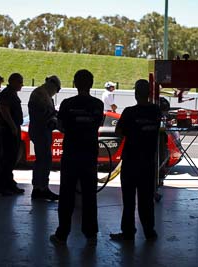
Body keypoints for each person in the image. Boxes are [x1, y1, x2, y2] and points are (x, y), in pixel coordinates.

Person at [50, 69, 104, 245]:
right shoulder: (98, 105)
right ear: (91, 84)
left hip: (72, 153)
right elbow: (97, 125)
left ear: (74, 84)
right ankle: (90, 232)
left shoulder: (67, 104)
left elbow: (60, 126)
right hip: (89, 154)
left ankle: (62, 233)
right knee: (89, 194)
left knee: (66, 195)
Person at [110, 79, 161, 241]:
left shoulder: (129, 112)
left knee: (129, 200)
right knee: (147, 199)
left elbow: (119, 132)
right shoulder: (155, 111)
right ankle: (149, 231)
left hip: (131, 161)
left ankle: (128, 232)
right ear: (149, 93)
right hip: (148, 162)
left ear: (135, 94)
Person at [28, 75, 61, 200]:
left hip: (42, 131)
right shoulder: (40, 95)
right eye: (57, 89)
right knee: (43, 160)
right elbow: (44, 114)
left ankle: (41, 187)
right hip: (40, 131)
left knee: (44, 160)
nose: (55, 93)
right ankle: (40, 188)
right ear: (53, 85)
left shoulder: (43, 94)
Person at [0, 73, 25, 195]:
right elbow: (4, 110)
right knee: (8, 157)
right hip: (9, 130)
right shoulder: (7, 94)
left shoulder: (10, 93)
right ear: (13, 81)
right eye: (20, 82)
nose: (21, 84)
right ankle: (3, 185)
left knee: (12, 157)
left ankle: (9, 183)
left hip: (13, 128)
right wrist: (13, 126)